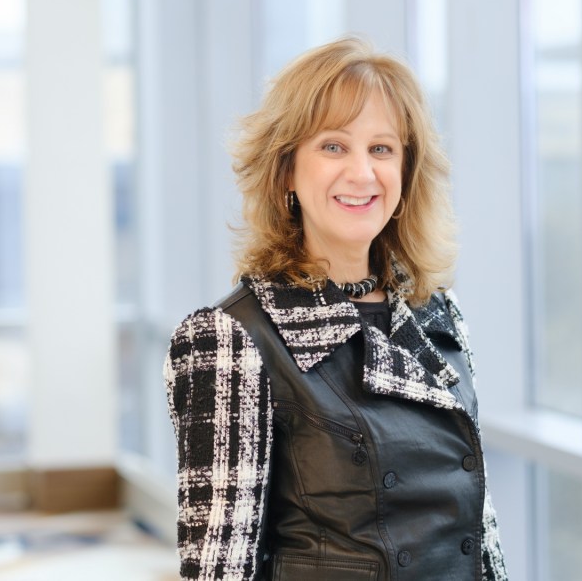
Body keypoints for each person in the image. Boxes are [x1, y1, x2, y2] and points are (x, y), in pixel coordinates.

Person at [164, 37, 507, 581]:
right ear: (285, 171)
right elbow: (217, 570)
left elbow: (479, 537)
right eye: (333, 147)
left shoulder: (437, 313)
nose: (361, 174)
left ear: (406, 172)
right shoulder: (231, 337)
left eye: (381, 149)